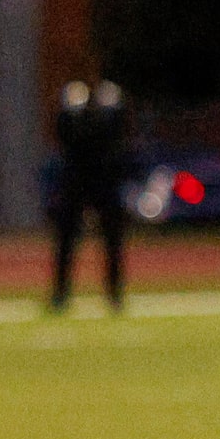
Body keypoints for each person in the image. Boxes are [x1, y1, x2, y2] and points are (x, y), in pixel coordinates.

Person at [48, 78, 135, 312]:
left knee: (111, 239)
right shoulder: (76, 106)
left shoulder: (109, 102)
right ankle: (61, 294)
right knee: (67, 239)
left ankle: (114, 294)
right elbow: (65, 136)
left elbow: (119, 138)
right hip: (78, 180)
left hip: (102, 179)